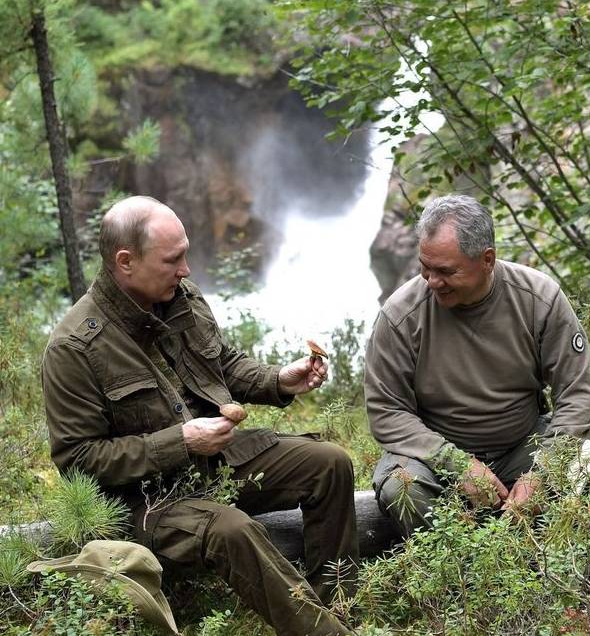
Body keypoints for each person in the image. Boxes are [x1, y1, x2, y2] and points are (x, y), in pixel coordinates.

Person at [41, 196, 356, 636]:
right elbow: (78, 460)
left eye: (185, 253)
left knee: (330, 463)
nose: (187, 269)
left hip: (217, 464)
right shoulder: (74, 347)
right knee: (231, 529)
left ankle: (333, 606)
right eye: (173, 259)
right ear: (125, 262)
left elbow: (220, 363)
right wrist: (182, 442)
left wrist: (279, 380)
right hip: (148, 501)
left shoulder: (178, 295)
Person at [365, 194, 590, 536]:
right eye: (424, 267)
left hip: (523, 446)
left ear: (487, 259)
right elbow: (386, 411)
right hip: (435, 458)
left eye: (445, 271)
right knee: (402, 489)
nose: (432, 281)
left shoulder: (539, 299)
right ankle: (460, 576)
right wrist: (456, 464)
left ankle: (540, 570)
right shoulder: (400, 315)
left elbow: (576, 397)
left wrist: (543, 472)